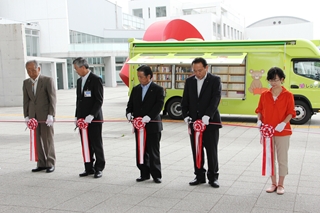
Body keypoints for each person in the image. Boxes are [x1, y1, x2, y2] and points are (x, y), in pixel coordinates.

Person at [181, 57, 222, 188]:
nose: (197, 73)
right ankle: (199, 175)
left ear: (206, 68)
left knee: (211, 151)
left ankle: (213, 177)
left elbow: (215, 99)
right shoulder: (189, 81)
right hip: (194, 123)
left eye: (200, 70)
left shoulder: (215, 80)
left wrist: (207, 115)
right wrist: (186, 115)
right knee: (196, 150)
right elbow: (185, 101)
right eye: (195, 71)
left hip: (210, 123)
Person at [255, 67, 296, 195]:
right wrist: (259, 120)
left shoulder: (288, 95)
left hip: (283, 132)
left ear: (282, 80)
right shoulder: (264, 95)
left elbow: (291, 112)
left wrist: (283, 123)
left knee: (282, 159)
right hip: (268, 132)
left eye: (276, 80)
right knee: (270, 158)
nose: (273, 83)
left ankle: (281, 184)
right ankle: (273, 183)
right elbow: (260, 110)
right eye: (271, 80)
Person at [126, 65, 164, 184]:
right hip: (139, 126)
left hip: (152, 125)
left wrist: (149, 116)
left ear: (149, 76)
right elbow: (130, 104)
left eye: (141, 77)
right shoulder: (136, 89)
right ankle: (144, 173)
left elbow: (159, 105)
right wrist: (128, 113)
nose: (139, 79)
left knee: (153, 151)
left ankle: (156, 174)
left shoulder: (158, 89)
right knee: (141, 150)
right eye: (138, 77)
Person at [73, 57, 105, 178]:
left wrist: (91, 115)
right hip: (82, 120)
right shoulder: (79, 81)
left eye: (76, 68)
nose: (75, 71)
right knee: (85, 143)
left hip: (94, 119)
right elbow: (79, 100)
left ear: (82, 67)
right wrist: (77, 116)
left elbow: (99, 100)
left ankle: (99, 168)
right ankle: (88, 167)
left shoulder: (96, 80)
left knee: (96, 144)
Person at [23, 60, 56, 173]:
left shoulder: (47, 81)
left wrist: (51, 115)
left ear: (39, 69)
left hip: (45, 116)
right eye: (28, 71)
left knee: (47, 140)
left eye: (33, 70)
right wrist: (26, 116)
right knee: (36, 140)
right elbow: (26, 101)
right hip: (33, 116)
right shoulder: (26, 83)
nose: (31, 73)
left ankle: (50, 163)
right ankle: (41, 163)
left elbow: (52, 99)